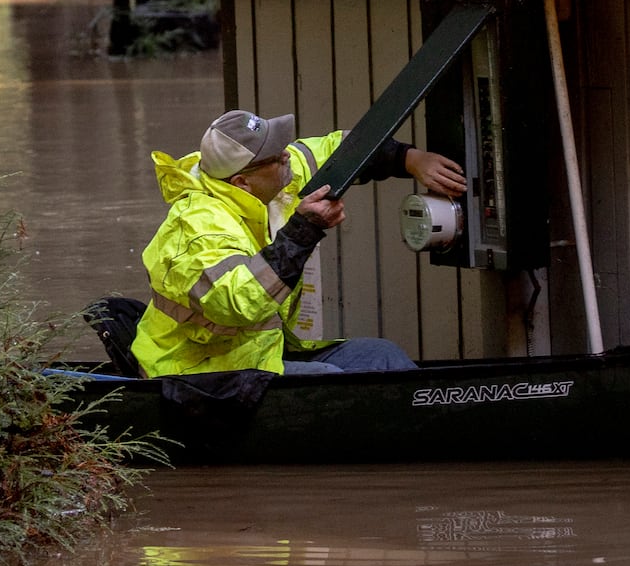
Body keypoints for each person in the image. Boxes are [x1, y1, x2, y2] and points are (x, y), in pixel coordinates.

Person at [131, 109, 466, 377]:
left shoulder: (274, 180)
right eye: (276, 158)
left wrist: (409, 159)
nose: (287, 158)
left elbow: (341, 151)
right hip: (198, 372)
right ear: (242, 183)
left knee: (383, 356)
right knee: (328, 380)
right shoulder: (198, 227)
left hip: (261, 353)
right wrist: (303, 231)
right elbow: (238, 304)